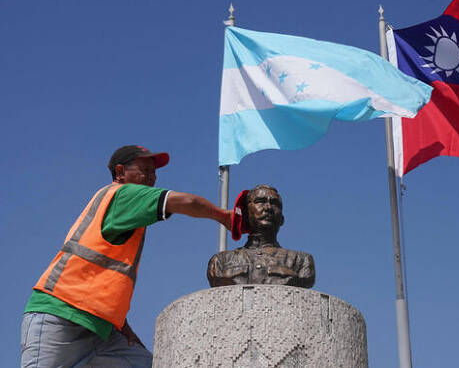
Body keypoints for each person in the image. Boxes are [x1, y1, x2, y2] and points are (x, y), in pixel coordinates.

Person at [21, 145, 232, 368]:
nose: (152, 178)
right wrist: (224, 216)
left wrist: (120, 322)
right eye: (144, 170)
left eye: (154, 172)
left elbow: (103, 277)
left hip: (101, 329)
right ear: (120, 173)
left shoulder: (123, 209)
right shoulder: (122, 194)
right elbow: (186, 202)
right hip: (60, 318)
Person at [207, 184, 315, 288]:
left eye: (275, 203)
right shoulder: (221, 262)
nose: (268, 208)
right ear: (246, 214)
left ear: (282, 219)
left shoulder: (301, 261)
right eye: (260, 201)